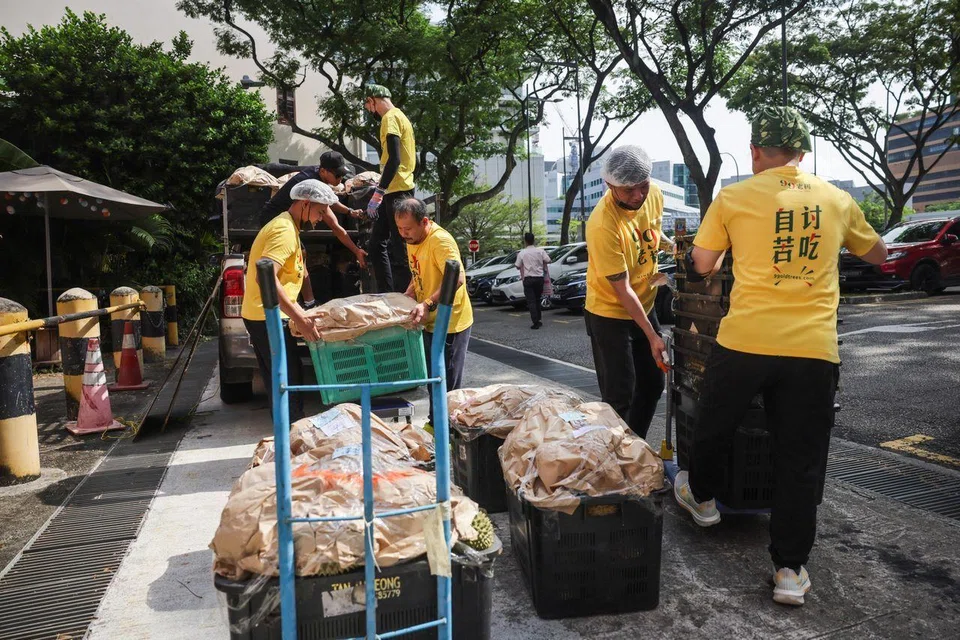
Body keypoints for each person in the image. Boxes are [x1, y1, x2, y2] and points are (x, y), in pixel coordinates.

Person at [675, 105, 887, 606]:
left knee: (712, 424)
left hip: (745, 341)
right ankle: (790, 571)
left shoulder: (733, 197)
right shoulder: (836, 198)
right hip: (813, 349)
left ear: (754, 151)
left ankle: (702, 498)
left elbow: (702, 266)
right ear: (802, 152)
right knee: (800, 459)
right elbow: (877, 254)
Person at [241, 180, 367, 422]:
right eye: (320, 212)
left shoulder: (289, 227)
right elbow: (264, 278)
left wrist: (306, 308)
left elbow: (297, 272)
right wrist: (301, 318)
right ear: (305, 204)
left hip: (268, 315)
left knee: (284, 378)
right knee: (287, 380)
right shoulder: (284, 231)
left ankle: (289, 429)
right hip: (267, 316)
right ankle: (292, 433)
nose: (321, 218)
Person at [583, 145, 671, 440]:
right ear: (610, 186)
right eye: (628, 190)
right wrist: (653, 336)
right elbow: (622, 292)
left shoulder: (654, 194)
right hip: (609, 313)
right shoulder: (601, 224)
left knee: (652, 384)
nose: (638, 195)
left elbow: (653, 233)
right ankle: (616, 459)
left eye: (642, 186)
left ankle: (636, 446)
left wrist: (673, 246)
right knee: (620, 395)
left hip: (644, 305)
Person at [394, 198, 473, 430]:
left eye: (407, 229)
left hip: (451, 322)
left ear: (424, 221)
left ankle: (448, 431)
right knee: (433, 377)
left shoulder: (440, 241)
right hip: (429, 320)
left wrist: (427, 302)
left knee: (446, 381)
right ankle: (435, 423)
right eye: (399, 229)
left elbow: (457, 278)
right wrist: (410, 291)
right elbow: (418, 269)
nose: (403, 234)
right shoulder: (413, 239)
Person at [363, 83, 417, 294]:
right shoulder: (402, 117)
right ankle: (387, 293)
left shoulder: (390, 118)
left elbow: (394, 159)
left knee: (400, 251)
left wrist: (379, 192)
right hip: (398, 189)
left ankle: (405, 298)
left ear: (372, 101)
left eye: (368, 107)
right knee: (377, 245)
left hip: (396, 191)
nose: (370, 112)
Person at [515, 232, 552, 329]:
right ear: (534, 240)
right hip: (539, 278)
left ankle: (535, 321)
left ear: (525, 241)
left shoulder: (522, 253)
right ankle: (539, 319)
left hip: (528, 279)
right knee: (537, 299)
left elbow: (517, 266)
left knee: (531, 301)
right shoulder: (540, 251)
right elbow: (548, 260)